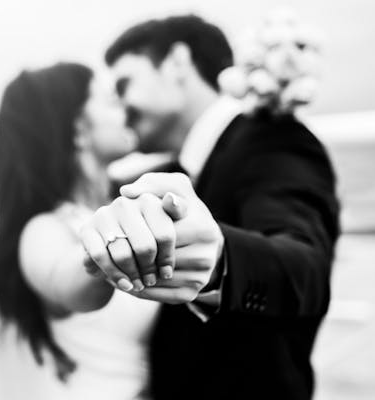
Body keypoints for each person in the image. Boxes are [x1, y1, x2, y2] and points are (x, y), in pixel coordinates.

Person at [79, 15, 340, 400]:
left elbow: (306, 267)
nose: (121, 107)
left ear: (177, 62)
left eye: (125, 84)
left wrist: (221, 260)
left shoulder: (274, 139)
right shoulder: (169, 172)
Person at [0, 63, 182, 399]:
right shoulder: (43, 230)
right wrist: (103, 255)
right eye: (110, 100)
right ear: (78, 129)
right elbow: (67, 282)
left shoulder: (126, 199)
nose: (126, 109)